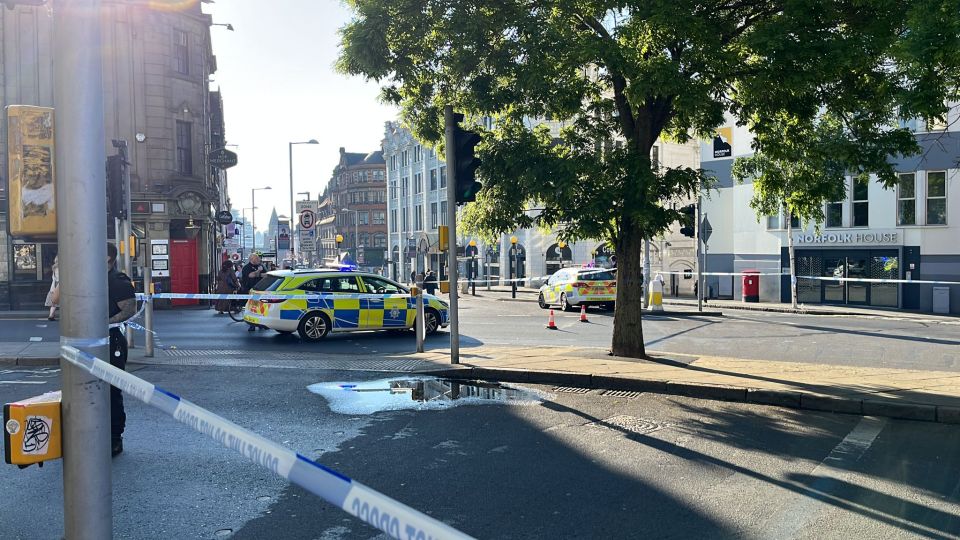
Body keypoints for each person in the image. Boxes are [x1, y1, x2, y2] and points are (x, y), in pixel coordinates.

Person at [107, 243, 136, 457]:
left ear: (108, 258)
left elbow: (128, 309)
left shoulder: (118, 280)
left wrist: (104, 322)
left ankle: (115, 438)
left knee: (111, 391)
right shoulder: (90, 276)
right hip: (95, 341)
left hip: (112, 341)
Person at [240, 254, 265, 331]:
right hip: (249, 290)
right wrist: (259, 272)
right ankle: (252, 325)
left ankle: (261, 324)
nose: (258, 259)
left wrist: (258, 274)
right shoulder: (247, 267)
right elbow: (251, 275)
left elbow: (266, 275)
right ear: (252, 259)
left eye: (258, 258)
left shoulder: (261, 266)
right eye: (256, 258)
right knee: (251, 309)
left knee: (260, 308)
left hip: (260, 290)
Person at [45, 255, 60, 320]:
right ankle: (51, 315)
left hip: (54, 286)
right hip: (59, 286)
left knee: (54, 303)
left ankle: (51, 315)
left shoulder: (54, 267)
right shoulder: (60, 268)